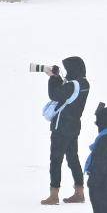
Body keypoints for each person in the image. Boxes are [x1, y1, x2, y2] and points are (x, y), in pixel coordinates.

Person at [41, 57, 89, 205]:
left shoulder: (72, 85)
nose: (67, 71)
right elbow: (67, 94)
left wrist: (53, 78)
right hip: (74, 126)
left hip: (61, 127)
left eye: (68, 68)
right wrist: (61, 79)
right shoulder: (84, 84)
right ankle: (79, 192)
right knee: (73, 159)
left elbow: (54, 95)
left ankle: (54, 195)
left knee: (56, 160)